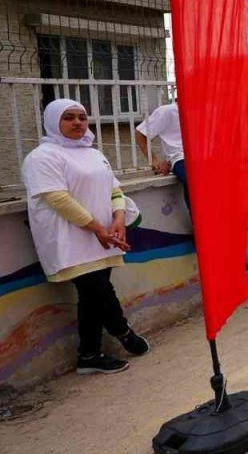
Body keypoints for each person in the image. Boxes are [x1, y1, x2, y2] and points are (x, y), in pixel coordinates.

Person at [23, 99, 152, 373]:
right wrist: (98, 229)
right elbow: (58, 199)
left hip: (105, 237)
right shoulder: (42, 157)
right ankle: (122, 332)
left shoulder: (93, 154)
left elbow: (115, 192)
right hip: (72, 241)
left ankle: (89, 356)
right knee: (98, 291)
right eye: (68, 118)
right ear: (52, 121)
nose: (77, 123)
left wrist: (119, 221)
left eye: (82, 117)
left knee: (93, 297)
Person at [134, 100, 190, 210]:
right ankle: (199, 223)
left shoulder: (204, 111)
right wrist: (154, 160)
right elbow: (140, 133)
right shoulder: (167, 111)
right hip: (180, 158)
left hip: (204, 158)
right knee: (194, 182)